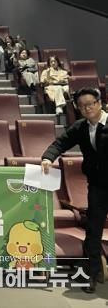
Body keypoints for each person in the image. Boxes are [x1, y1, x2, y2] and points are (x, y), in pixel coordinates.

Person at [41, 88, 108, 293]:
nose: (86, 109)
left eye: (90, 104)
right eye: (81, 106)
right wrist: (48, 158)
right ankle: (91, 273)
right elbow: (60, 143)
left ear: (99, 103)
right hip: (97, 186)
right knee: (93, 230)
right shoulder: (80, 127)